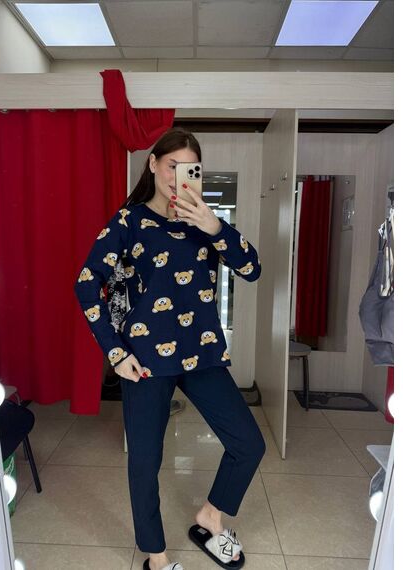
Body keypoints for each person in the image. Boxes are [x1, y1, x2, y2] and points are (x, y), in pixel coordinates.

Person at [74, 127, 266, 570]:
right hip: (144, 362)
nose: (178, 175)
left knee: (248, 444)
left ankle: (210, 517)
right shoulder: (129, 222)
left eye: (190, 169)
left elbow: (252, 269)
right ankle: (157, 558)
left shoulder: (206, 223)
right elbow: (86, 284)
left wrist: (214, 226)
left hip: (202, 354)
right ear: (153, 164)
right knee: (145, 463)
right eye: (171, 165)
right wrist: (116, 353)